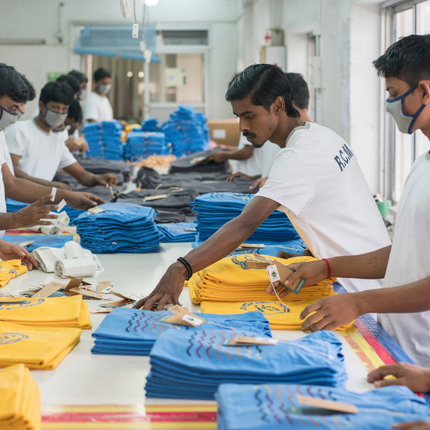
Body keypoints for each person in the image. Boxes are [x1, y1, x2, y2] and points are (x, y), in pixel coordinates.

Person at [134, 64, 390, 313]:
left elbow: (245, 224)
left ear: (278, 106)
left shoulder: (296, 157)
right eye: (239, 117)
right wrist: (310, 250)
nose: (242, 127)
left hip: (359, 290)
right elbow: (339, 208)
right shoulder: (323, 135)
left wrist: (180, 269)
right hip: (373, 275)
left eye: (249, 116)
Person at [273, 34, 430, 368]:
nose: (388, 104)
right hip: (394, 341)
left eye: (392, 93)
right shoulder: (423, 162)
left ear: (424, 92)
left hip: (423, 359)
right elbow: (406, 254)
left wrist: (358, 303)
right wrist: (328, 266)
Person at [0, 64, 103, 266]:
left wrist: (67, 196)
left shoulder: (0, 134)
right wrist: (15, 220)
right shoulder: (17, 131)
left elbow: (10, 183)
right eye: (14, 107)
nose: (20, 112)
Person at [5, 80, 118, 190]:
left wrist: (98, 178)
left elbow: (82, 175)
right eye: (55, 107)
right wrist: (48, 185)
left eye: (64, 109)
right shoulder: (19, 130)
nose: (60, 113)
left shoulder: (57, 142)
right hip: (15, 203)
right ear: (41, 106)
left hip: (39, 202)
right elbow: (11, 172)